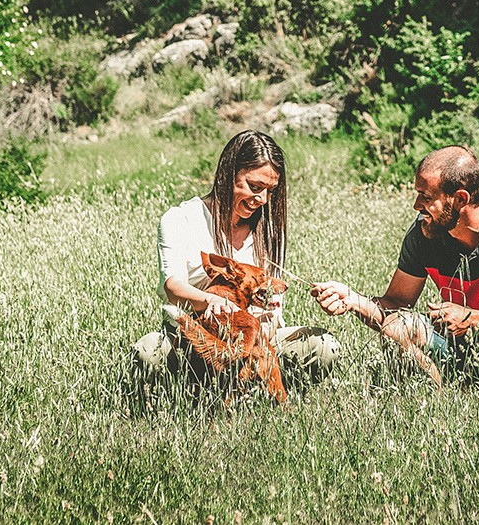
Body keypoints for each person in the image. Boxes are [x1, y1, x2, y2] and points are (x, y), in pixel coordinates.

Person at [312, 145, 479, 384]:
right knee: (397, 326)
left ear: (460, 199)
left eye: (426, 196)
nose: (416, 205)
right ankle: (438, 404)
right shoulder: (425, 234)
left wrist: (473, 320)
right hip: (456, 347)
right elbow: (396, 305)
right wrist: (354, 301)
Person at [129, 130, 339, 398]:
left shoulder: (270, 230)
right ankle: (197, 392)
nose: (262, 200)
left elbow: (271, 309)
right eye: (254, 187)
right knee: (149, 354)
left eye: (270, 191)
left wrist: (269, 302)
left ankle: (259, 390)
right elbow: (173, 286)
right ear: (228, 175)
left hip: (258, 341)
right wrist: (210, 301)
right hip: (196, 341)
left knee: (323, 346)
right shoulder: (180, 219)